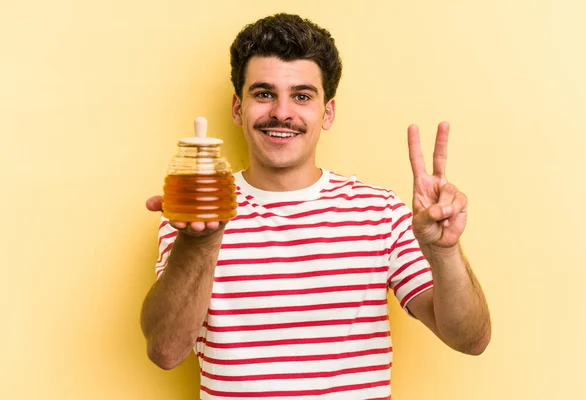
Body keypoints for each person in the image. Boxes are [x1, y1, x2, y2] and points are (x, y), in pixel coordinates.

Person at [141, 13, 491, 399]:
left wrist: (444, 251)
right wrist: (200, 244)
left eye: (302, 96)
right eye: (264, 93)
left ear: (327, 112)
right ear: (238, 108)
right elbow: (166, 351)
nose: (282, 112)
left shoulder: (379, 214)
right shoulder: (197, 216)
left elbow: (470, 339)